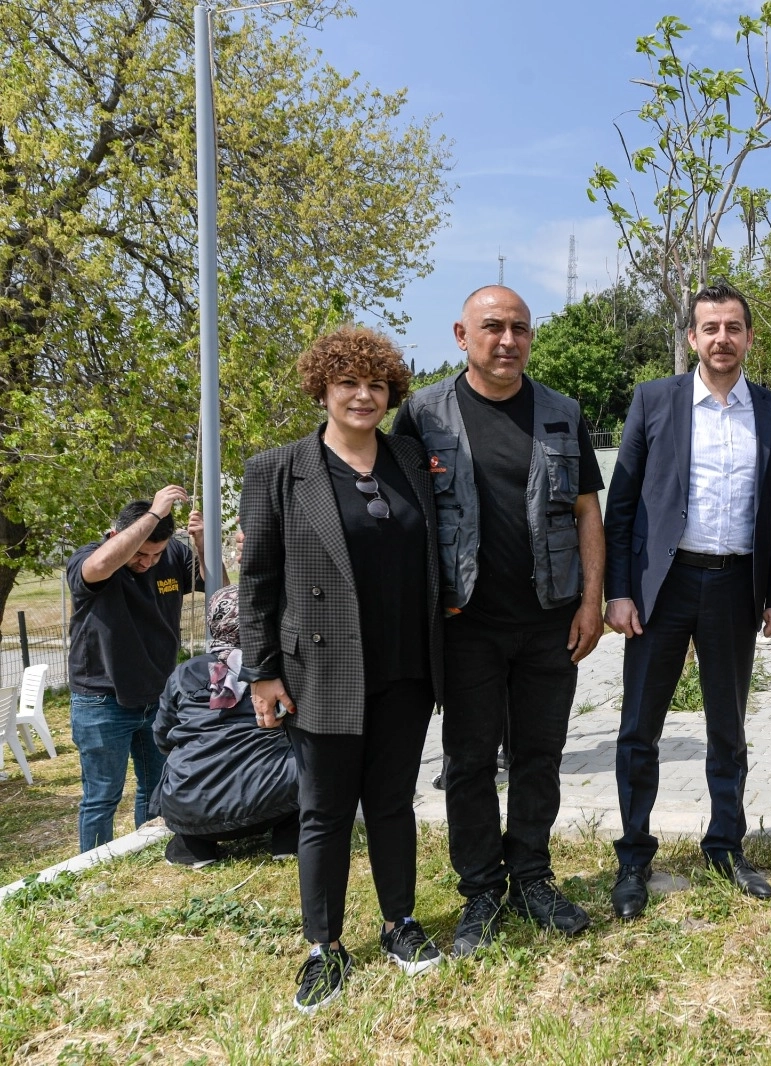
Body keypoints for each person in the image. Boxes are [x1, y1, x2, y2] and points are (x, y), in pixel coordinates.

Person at [392, 285, 605, 954]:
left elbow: (586, 510)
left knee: (540, 757)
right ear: (462, 336)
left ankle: (533, 877)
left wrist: (592, 601)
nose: (508, 340)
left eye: (519, 328)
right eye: (492, 327)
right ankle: (482, 889)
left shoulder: (561, 412)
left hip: (549, 620)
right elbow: (399, 513)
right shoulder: (422, 415)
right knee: (469, 761)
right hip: (466, 625)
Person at [241, 326, 447, 1012]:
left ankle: (399, 923)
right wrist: (261, 673)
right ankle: (323, 947)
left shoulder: (410, 459)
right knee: (325, 812)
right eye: (348, 383)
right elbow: (257, 580)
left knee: (392, 803)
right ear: (322, 389)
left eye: (377, 384)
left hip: (406, 667)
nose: (364, 396)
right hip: (321, 670)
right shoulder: (278, 470)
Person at [602, 283, 771, 919]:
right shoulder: (654, 399)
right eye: (710, 328)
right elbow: (621, 504)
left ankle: (725, 847)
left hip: (736, 585)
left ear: (749, 337)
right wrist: (618, 591)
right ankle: (633, 856)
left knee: (728, 728)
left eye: (733, 327)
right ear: (692, 338)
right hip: (662, 586)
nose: (722, 339)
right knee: (639, 728)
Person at [67, 490, 216, 851]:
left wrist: (201, 544)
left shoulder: (174, 554)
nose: (148, 562)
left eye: (156, 554)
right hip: (102, 700)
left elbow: (218, 590)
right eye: (140, 554)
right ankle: (92, 867)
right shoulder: (89, 557)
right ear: (116, 535)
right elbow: (99, 567)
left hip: (158, 697)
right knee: (102, 796)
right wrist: (154, 514)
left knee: (155, 789)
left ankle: (148, 853)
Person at [152, 585, 298, 868]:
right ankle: (288, 841)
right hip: (272, 800)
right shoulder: (274, 674)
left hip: (191, 805)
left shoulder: (184, 673)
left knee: (178, 767)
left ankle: (195, 850)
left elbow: (162, 735)